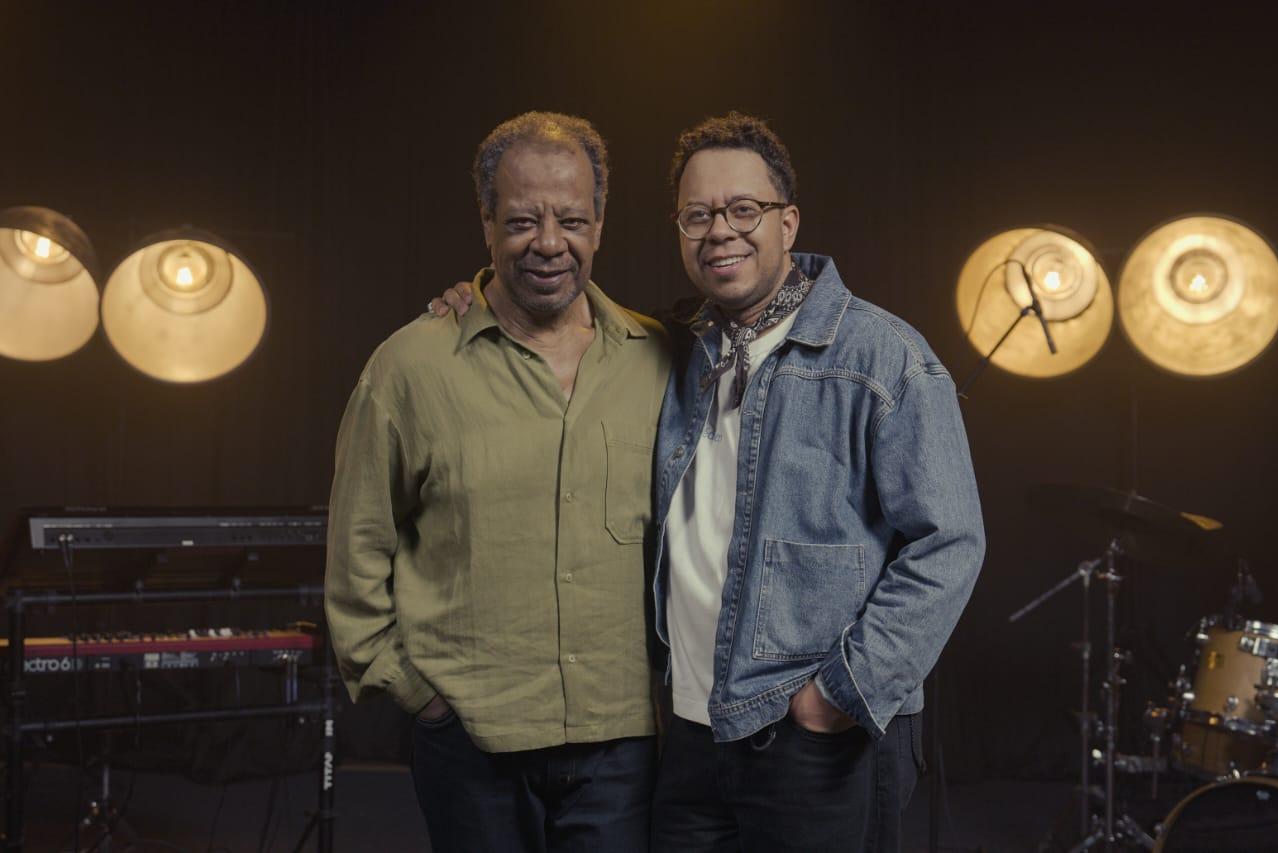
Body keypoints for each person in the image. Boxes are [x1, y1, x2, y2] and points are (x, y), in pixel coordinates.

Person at [432, 111, 985, 852]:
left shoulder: (883, 358)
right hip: (691, 737)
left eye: (743, 210)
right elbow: (563, 317)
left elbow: (950, 541)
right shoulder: (673, 347)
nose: (719, 229)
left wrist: (838, 696)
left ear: (788, 223)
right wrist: (475, 297)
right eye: (698, 214)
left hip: (817, 739)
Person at [325, 111, 670, 853]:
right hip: (469, 738)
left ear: (601, 223)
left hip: (622, 742)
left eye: (572, 219)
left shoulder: (663, 359)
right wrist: (419, 697)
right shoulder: (411, 366)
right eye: (521, 220)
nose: (549, 243)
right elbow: (357, 552)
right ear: (485, 222)